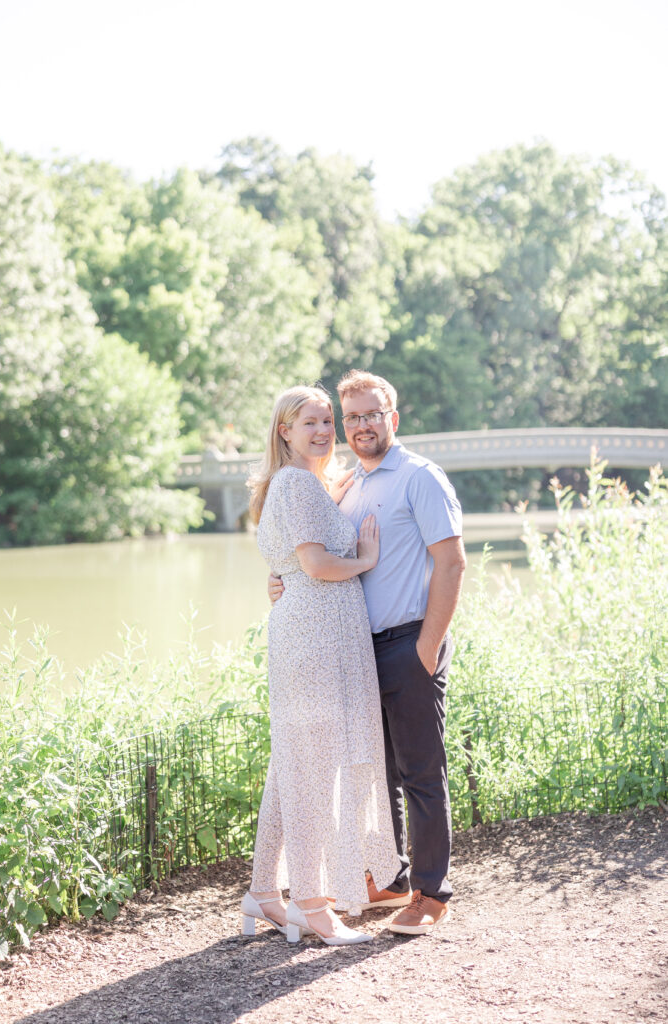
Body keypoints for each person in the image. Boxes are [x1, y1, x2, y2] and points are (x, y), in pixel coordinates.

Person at [270, 370, 466, 936]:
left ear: (392, 418)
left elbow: (452, 563)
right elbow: (317, 555)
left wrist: (427, 647)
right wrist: (283, 582)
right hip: (353, 652)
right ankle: (395, 877)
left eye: (369, 414)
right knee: (375, 773)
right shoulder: (348, 485)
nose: (357, 425)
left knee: (421, 771)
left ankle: (431, 894)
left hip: (409, 642)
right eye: (348, 416)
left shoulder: (420, 479)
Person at [241, 385, 399, 946]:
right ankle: (312, 904)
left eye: (327, 420)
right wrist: (366, 559)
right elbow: (315, 563)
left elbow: (292, 562)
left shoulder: (305, 485)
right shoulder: (297, 483)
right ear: (284, 430)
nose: (324, 430)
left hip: (308, 633)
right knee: (312, 771)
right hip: (314, 642)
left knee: (293, 764)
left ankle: (264, 892)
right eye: (310, 422)